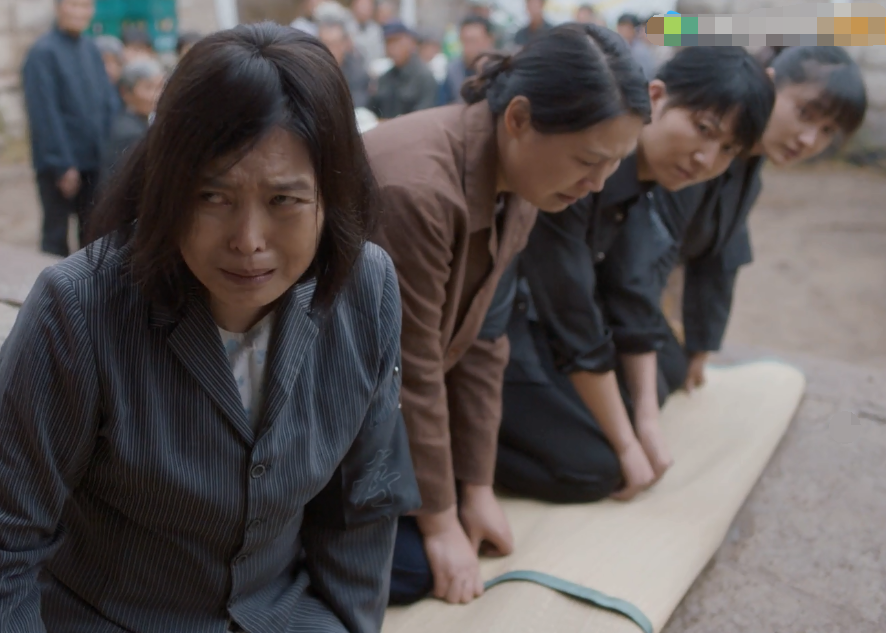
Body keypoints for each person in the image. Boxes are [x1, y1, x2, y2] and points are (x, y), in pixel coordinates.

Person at [0, 22, 420, 633]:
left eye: (285, 201)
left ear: (331, 198)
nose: (248, 242)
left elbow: (362, 506)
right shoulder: (79, 309)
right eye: (212, 196)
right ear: (166, 188)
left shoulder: (368, 288)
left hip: (280, 615)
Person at [364, 22, 650, 606]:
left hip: (401, 396)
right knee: (419, 568)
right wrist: (441, 521)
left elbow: (485, 339)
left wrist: (477, 487)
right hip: (331, 409)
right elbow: (409, 368)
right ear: (518, 118)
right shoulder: (419, 189)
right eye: (587, 160)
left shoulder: (525, 179)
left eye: (613, 165)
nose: (596, 185)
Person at [492, 46, 776, 505]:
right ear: (657, 96)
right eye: (703, 129)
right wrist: (627, 441)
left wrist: (642, 418)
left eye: (728, 150)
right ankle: (467, 450)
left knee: (662, 372)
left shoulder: (651, 178)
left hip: (555, 314)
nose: (706, 158)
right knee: (595, 468)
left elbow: (630, 285)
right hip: (507, 325)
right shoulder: (587, 169)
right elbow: (572, 312)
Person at [611, 46, 867, 400]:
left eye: (827, 131)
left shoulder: (748, 170)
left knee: (671, 369)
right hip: (598, 293)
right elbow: (644, 259)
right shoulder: (694, 160)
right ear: (769, 84)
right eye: (804, 113)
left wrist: (701, 345)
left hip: (629, 296)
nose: (809, 140)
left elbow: (722, 254)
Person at [22, 0, 118, 257]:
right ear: (58, 8)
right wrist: (61, 164)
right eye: (73, 5)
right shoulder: (42, 52)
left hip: (93, 160)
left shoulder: (90, 49)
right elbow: (44, 112)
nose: (79, 12)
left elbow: (107, 101)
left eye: (85, 6)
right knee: (56, 236)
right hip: (61, 163)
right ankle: (49, 295)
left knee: (93, 232)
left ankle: (85, 294)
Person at [102, 58, 165, 183]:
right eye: (148, 87)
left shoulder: (142, 123)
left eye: (160, 87)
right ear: (125, 92)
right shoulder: (128, 133)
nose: (157, 95)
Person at [368, 20, 438, 119]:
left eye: (396, 41)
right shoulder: (384, 78)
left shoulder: (425, 77)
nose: (392, 48)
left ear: (411, 42)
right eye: (388, 43)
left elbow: (424, 118)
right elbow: (373, 112)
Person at [439, 16, 494, 106]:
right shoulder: (453, 71)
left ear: (489, 40)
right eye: (464, 41)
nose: (468, 48)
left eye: (473, 41)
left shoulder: (502, 70)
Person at [319, 20, 372, 109]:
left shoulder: (358, 73)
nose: (329, 50)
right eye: (324, 44)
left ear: (344, 45)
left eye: (334, 44)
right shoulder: (312, 70)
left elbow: (357, 105)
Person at [616, 13, 656, 80]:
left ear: (635, 30)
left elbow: (646, 75)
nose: (623, 32)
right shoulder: (617, 46)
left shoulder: (640, 51)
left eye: (627, 28)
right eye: (621, 28)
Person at [349, 0, 386, 68]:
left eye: (368, 7)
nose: (364, 10)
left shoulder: (376, 30)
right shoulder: (345, 27)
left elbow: (379, 54)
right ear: (354, 6)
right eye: (362, 6)